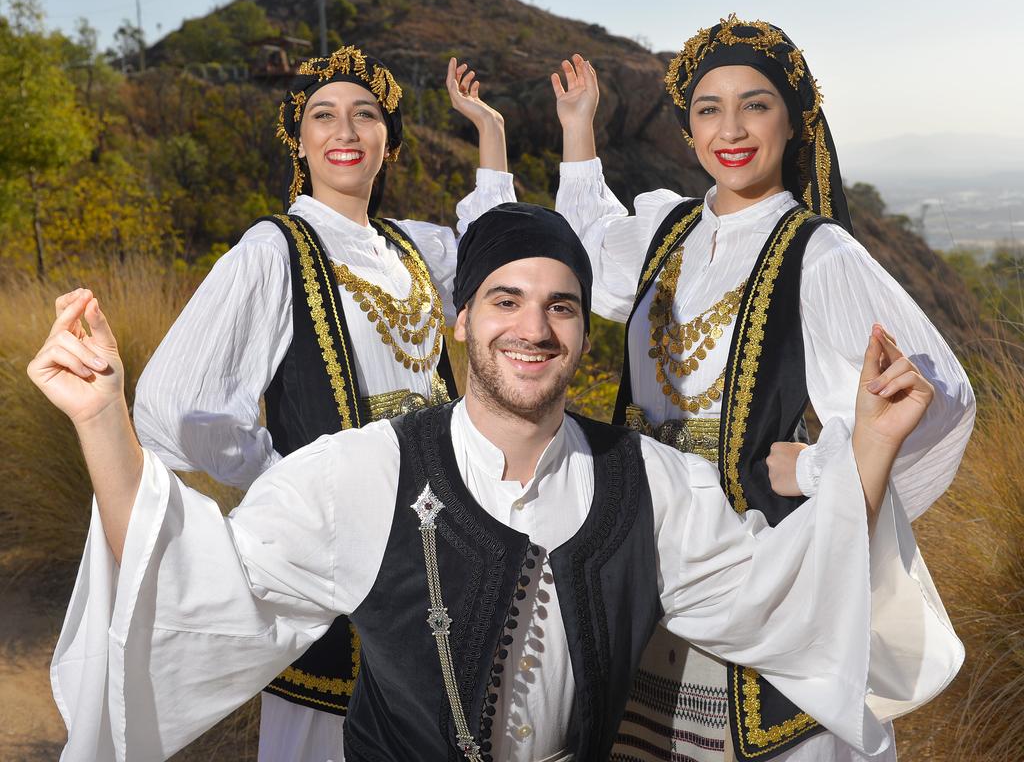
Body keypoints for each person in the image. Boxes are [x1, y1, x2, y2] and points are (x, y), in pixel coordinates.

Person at [32, 203, 960, 762]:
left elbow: (783, 594)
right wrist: (102, 423)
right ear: (463, 321)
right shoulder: (366, 472)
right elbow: (199, 586)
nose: (535, 328)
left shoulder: (652, 483)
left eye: (560, 305)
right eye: (505, 302)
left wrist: (871, 445)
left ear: (580, 334)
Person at [551, 16, 975, 761]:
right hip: (640, 548)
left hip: (754, 564)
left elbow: (936, 396)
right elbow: (586, 249)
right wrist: (578, 128)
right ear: (687, 129)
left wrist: (818, 470)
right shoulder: (665, 230)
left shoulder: (820, 254)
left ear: (793, 118)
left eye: (756, 104)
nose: (731, 129)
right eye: (709, 109)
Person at [131, 45, 515, 760]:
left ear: (389, 146)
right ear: (300, 141)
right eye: (323, 116)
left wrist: (488, 129)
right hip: (336, 571)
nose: (345, 130)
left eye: (366, 116)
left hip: (440, 555)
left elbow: (501, 252)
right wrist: (283, 479)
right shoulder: (274, 250)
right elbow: (174, 401)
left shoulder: (413, 250)